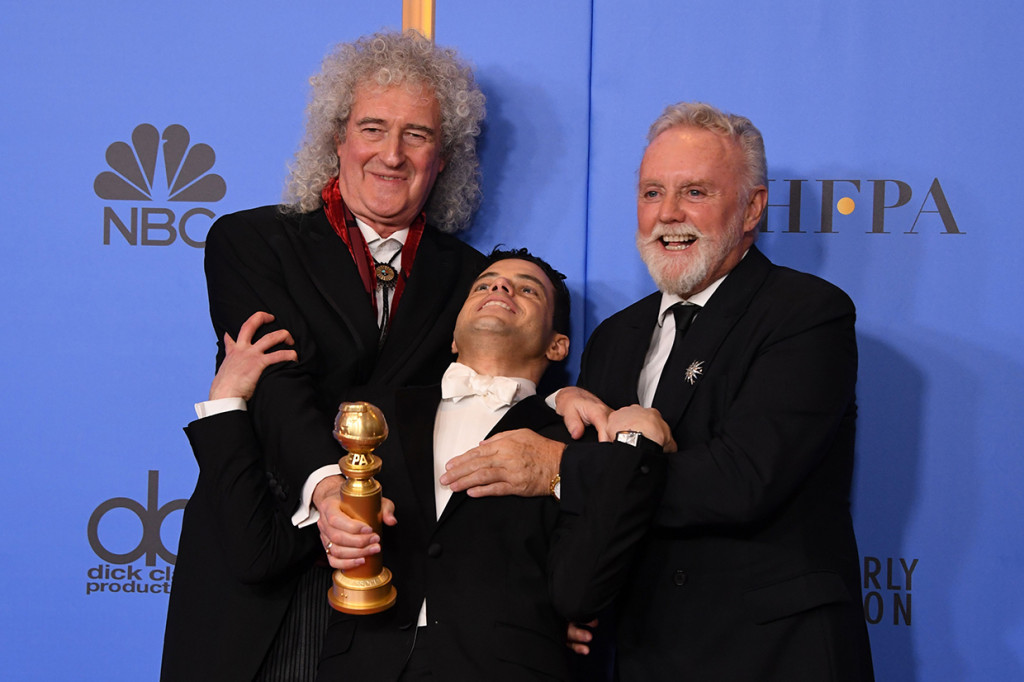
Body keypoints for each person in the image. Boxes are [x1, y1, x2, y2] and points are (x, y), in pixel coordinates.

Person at [444, 102, 875, 680]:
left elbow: (742, 480)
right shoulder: (617, 336)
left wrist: (561, 469)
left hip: (772, 653)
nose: (667, 214)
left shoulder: (806, 314)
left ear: (752, 208)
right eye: (652, 193)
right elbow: (589, 521)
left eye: (694, 192)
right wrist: (571, 599)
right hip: (642, 652)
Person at [162, 30, 487, 681]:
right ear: (337, 138)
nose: (391, 154)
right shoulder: (252, 242)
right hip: (262, 548)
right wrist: (331, 488)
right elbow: (280, 387)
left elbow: (502, 389)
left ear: (444, 155)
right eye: (373, 128)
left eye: (417, 134)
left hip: (394, 573)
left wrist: (567, 396)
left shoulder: (474, 279)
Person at [179, 249, 667, 681]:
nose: (500, 288)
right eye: (485, 284)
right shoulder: (364, 417)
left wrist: (624, 449)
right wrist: (225, 407)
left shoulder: (572, 443)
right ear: (452, 337)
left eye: (527, 289)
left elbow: (580, 592)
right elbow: (259, 551)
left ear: (557, 345)